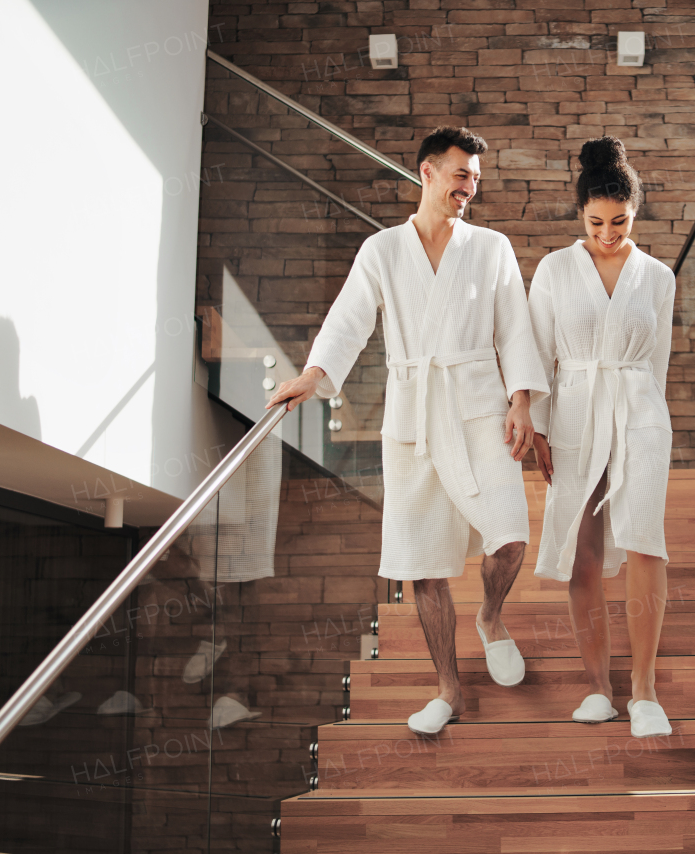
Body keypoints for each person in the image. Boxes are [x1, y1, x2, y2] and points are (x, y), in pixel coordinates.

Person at [267, 127, 548, 735]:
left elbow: (514, 329)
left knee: (510, 539)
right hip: (414, 414)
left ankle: (491, 619)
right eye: (460, 176)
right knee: (423, 563)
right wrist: (313, 375)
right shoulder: (382, 251)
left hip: (478, 404)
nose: (470, 188)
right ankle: (448, 688)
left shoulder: (491, 247)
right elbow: (348, 320)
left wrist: (522, 402)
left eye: (475, 178)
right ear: (426, 172)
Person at [528, 137, 676, 739]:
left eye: (620, 221)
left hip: (640, 409)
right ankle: (599, 688)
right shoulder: (555, 269)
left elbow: (660, 361)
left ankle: (644, 691)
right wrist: (536, 425)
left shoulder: (657, 276)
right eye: (596, 222)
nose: (608, 232)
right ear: (580, 213)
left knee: (645, 541)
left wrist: (653, 421)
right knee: (583, 548)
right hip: (575, 410)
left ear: (634, 212)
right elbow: (537, 353)